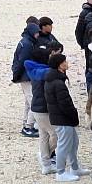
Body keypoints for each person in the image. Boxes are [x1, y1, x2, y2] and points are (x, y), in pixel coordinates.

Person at [44, 53, 89, 182]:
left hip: (63, 118)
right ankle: (61, 171)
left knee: (73, 143)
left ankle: (75, 167)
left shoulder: (55, 80)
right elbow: (64, 103)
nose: (67, 63)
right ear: (60, 65)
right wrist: (73, 115)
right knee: (64, 145)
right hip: (62, 119)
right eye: (65, 61)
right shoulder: (57, 83)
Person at [24, 46, 59, 175]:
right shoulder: (46, 74)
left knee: (44, 135)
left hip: (36, 107)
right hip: (43, 108)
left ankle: (46, 164)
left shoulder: (34, 70)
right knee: (56, 135)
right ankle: (45, 156)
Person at [11, 17, 40, 137]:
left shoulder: (26, 41)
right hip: (25, 77)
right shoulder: (28, 44)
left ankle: (26, 123)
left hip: (25, 76)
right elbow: (22, 61)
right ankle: (28, 126)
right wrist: (16, 76)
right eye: (37, 32)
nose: (38, 35)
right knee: (34, 102)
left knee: (29, 102)